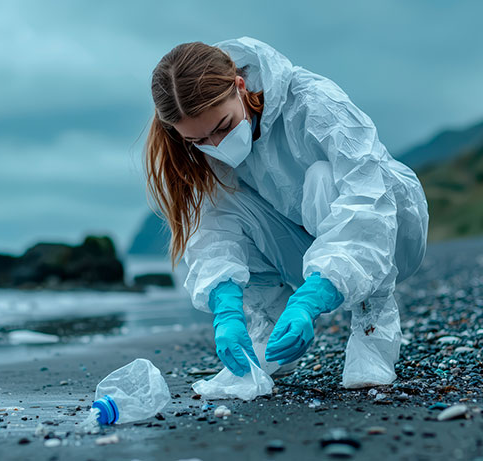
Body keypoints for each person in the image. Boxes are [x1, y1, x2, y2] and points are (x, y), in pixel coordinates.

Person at [144, 36, 429, 388]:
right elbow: (214, 230)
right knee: (224, 198)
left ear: (240, 86)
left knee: (323, 179)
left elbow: (369, 197)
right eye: (198, 141)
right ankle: (268, 330)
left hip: (393, 232)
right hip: (308, 245)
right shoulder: (204, 148)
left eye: (224, 126)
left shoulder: (313, 102)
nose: (216, 146)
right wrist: (225, 306)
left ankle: (373, 326)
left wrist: (311, 299)